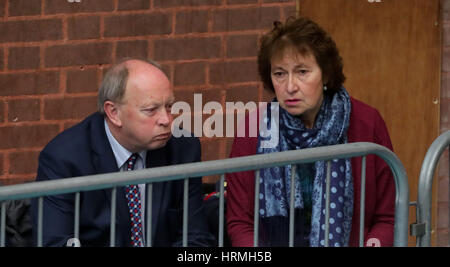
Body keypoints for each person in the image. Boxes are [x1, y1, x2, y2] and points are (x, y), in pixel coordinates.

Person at [226, 17, 396, 247]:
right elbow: (240, 222)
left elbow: (386, 217)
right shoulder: (252, 130)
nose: (290, 86)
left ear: (325, 74)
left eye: (302, 71)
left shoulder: (367, 123)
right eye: (279, 74)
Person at [31, 58, 215, 247]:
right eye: (151, 110)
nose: (166, 119)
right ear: (114, 113)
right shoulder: (65, 158)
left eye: (169, 106)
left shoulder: (183, 148)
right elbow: (54, 241)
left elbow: (195, 237)